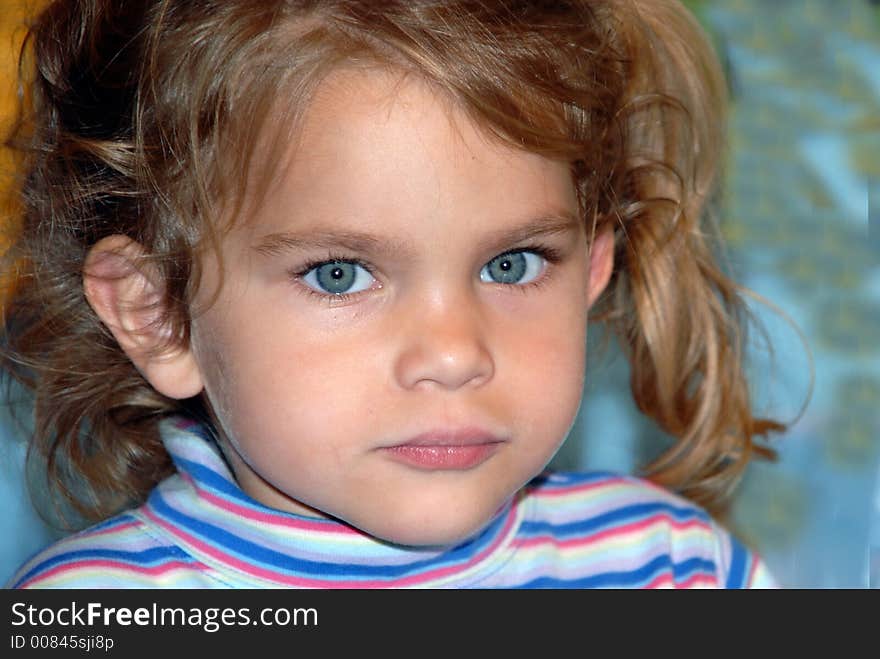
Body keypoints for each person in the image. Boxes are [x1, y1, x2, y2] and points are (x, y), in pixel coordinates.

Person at [2, 0, 789, 588]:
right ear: (160, 315)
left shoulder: (676, 567)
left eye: (512, 264)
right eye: (339, 273)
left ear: (593, 267)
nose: (453, 354)